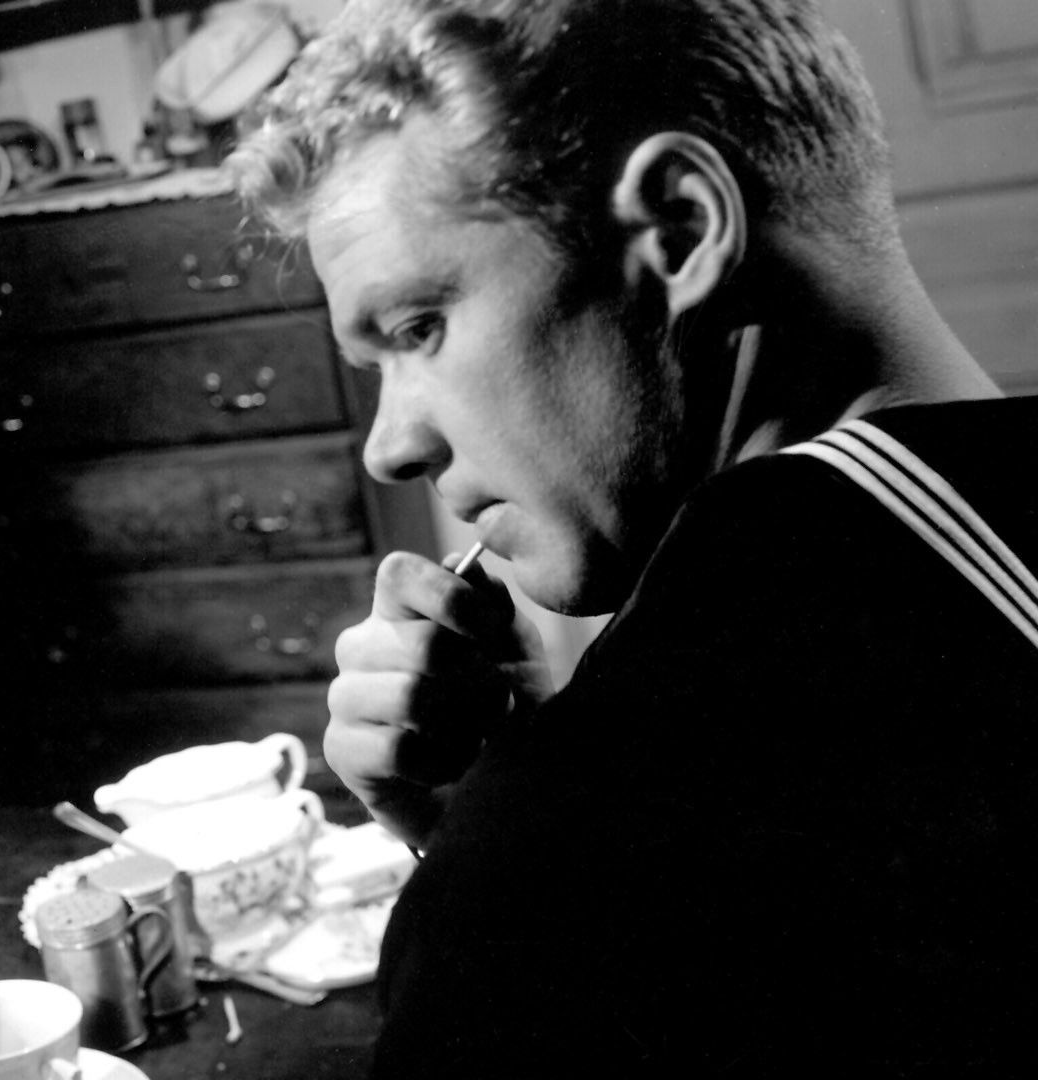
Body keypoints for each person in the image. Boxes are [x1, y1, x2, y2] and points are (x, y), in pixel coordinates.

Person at [229, 0, 1038, 1073]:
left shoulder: (583, 839)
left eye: (419, 326)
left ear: (681, 228)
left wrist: (493, 857)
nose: (391, 446)